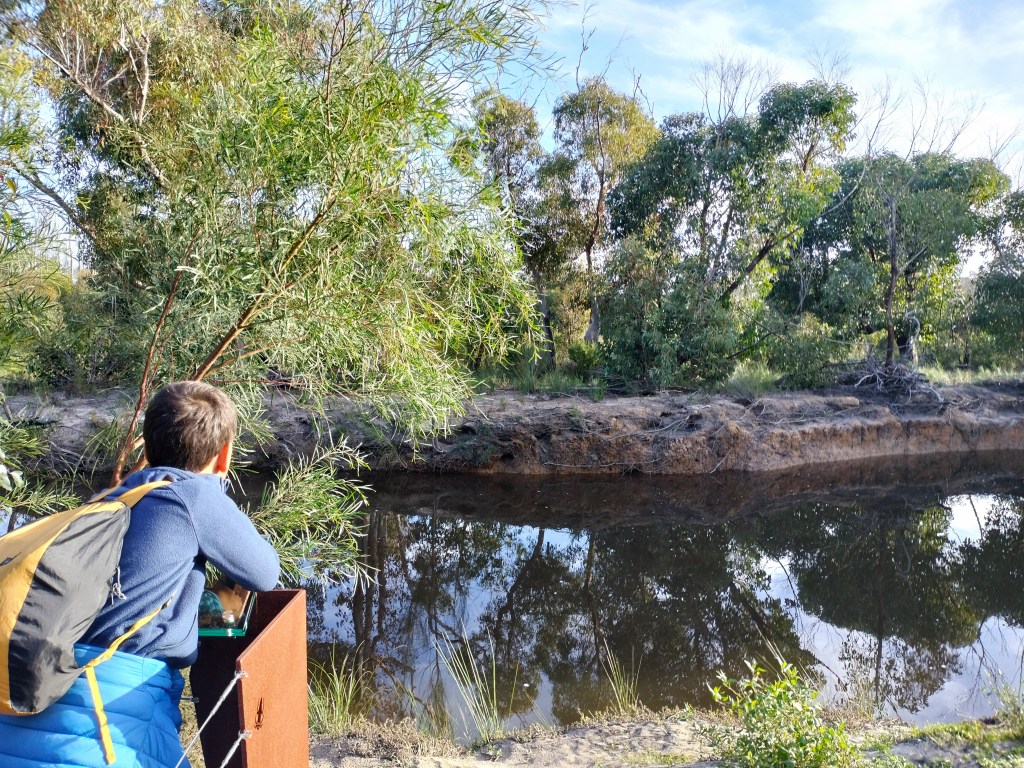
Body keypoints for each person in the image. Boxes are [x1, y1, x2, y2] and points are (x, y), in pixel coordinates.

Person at [0, 381, 281, 768]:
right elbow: (265, 572)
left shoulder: (114, 498)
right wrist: (215, 487)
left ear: (146, 449)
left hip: (36, 691)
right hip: (112, 706)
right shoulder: (192, 496)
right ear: (225, 454)